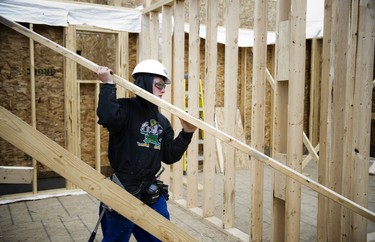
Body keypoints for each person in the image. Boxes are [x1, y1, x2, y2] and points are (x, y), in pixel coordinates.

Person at [96, 59, 197, 241]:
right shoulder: (124, 109)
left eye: (164, 86)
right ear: (144, 82)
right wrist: (108, 85)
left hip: (151, 192)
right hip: (122, 189)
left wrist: (187, 133)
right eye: (159, 85)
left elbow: (169, 156)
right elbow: (108, 117)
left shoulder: (162, 122)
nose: (163, 90)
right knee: (116, 238)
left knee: (159, 236)